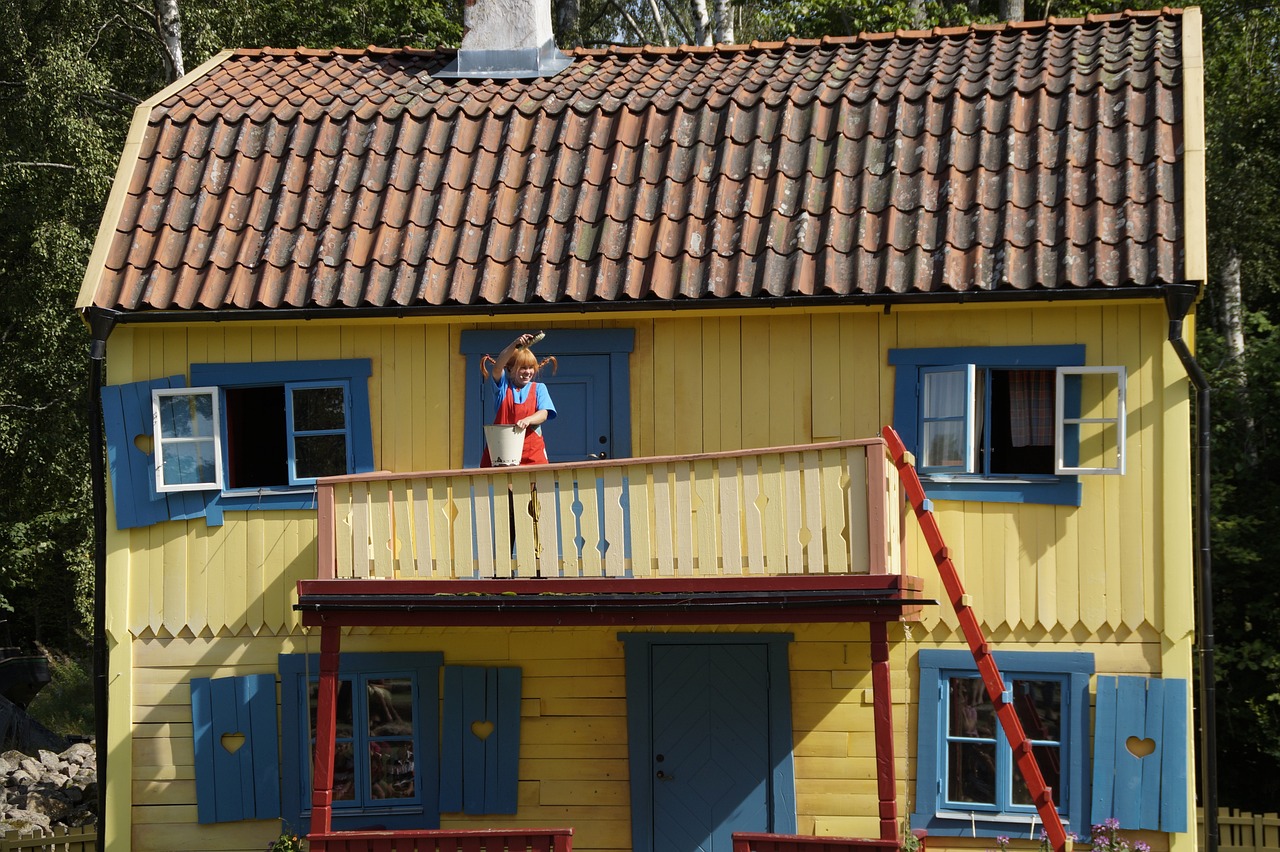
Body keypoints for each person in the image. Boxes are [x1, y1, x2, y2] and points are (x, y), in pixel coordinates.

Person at [480, 333, 557, 466]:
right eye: (522, 368)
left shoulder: (539, 388)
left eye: (531, 367)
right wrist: (514, 344)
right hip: (503, 455)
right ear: (510, 369)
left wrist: (528, 420)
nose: (528, 372)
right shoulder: (503, 387)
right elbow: (498, 367)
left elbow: (544, 413)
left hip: (533, 453)